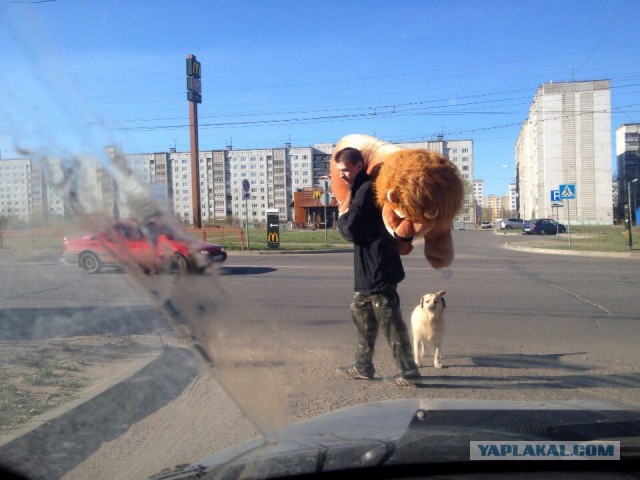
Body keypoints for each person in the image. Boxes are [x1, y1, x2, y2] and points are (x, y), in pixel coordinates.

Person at [333, 147, 421, 387]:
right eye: (339, 170)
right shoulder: (360, 189)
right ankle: (363, 366)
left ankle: (409, 371)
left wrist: (340, 217)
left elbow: (351, 230)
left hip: (378, 270)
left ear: (359, 165)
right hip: (368, 271)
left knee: (391, 323)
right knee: (361, 316)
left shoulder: (365, 190)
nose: (341, 175)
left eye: (345, 170)